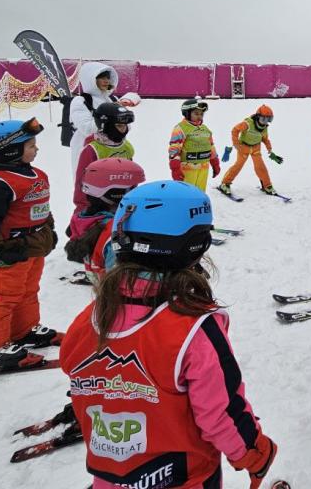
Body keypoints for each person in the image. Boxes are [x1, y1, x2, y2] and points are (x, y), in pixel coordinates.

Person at [60, 181, 277, 489]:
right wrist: (255, 454)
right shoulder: (193, 327)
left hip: (110, 476)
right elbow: (220, 412)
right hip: (184, 477)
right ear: (194, 245)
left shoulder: (90, 319)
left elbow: (76, 372)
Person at [0, 118, 61, 373]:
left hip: (33, 245)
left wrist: (49, 228)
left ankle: (23, 330)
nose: (36, 149)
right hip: (8, 249)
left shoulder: (34, 173)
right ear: (8, 149)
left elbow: (40, 206)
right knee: (4, 297)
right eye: (30, 145)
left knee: (28, 290)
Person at [64, 158, 145, 283]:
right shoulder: (115, 230)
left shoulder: (84, 219)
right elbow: (119, 279)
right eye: (133, 189)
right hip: (120, 294)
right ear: (115, 193)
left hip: (102, 287)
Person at [72, 103, 135, 217]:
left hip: (123, 204)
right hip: (98, 206)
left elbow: (132, 175)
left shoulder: (126, 147)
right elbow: (81, 183)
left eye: (125, 125)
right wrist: (82, 209)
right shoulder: (92, 150)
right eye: (119, 125)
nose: (124, 129)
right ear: (107, 125)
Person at [67, 62, 119, 173]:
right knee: (88, 186)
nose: (106, 81)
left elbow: (125, 126)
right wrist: (111, 118)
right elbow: (87, 128)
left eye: (108, 77)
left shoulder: (111, 100)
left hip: (113, 150)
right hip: (88, 151)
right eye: (101, 77)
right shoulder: (81, 101)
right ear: (90, 79)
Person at [221, 104, 283, 197]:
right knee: (238, 165)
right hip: (243, 148)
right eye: (263, 119)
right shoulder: (248, 124)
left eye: (268, 119)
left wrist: (270, 150)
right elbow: (235, 130)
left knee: (261, 167)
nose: (265, 122)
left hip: (256, 148)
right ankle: (225, 183)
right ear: (258, 117)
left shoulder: (265, 127)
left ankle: (267, 186)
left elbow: (265, 139)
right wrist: (236, 143)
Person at [169, 98, 221, 192]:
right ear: (187, 113)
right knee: (187, 193)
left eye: (201, 114)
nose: (199, 116)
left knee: (200, 192)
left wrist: (215, 163)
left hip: (203, 167)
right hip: (188, 168)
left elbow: (211, 146)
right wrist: (175, 168)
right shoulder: (181, 128)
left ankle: (198, 206)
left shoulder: (205, 129)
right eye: (196, 113)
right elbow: (174, 148)